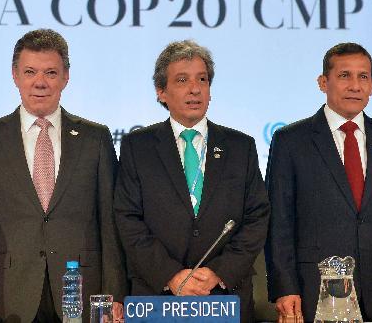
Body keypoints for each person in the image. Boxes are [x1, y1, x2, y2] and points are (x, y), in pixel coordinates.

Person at [0, 29, 126, 323]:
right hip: (8, 296)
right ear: (15, 75)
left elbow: (110, 224)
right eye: (30, 71)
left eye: (50, 72)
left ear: (66, 77)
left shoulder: (95, 138)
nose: (40, 82)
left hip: (82, 293)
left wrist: (114, 293)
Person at [265, 42, 372, 322]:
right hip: (315, 292)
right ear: (323, 82)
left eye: (363, 77)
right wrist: (284, 288)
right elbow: (279, 223)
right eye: (344, 76)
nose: (355, 85)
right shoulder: (291, 141)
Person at [114, 40, 269, 323]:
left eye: (202, 79)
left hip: (223, 298)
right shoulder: (139, 146)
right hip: (158, 297)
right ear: (161, 92)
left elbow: (257, 217)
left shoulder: (240, 146)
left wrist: (218, 272)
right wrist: (171, 275)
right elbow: (128, 218)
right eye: (182, 80)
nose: (195, 89)